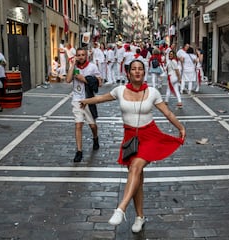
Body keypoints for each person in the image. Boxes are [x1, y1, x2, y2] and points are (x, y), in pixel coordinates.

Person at [79, 59, 186, 233]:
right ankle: (139, 217)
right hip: (131, 138)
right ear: (128, 73)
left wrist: (180, 127)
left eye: (140, 69)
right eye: (133, 69)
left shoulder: (152, 92)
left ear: (144, 73)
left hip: (150, 135)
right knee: (137, 178)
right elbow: (101, 98)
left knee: (135, 168)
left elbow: (167, 112)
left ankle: (120, 208)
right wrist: (86, 101)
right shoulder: (119, 90)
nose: (137, 72)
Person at [66, 48, 103, 162]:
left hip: (89, 100)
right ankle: (79, 151)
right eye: (78, 55)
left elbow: (100, 83)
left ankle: (95, 138)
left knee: (92, 125)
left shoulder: (92, 67)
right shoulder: (75, 67)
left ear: (86, 56)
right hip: (77, 100)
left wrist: (85, 80)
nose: (81, 57)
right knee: (78, 125)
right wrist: (72, 65)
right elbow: (68, 80)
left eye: (83, 55)